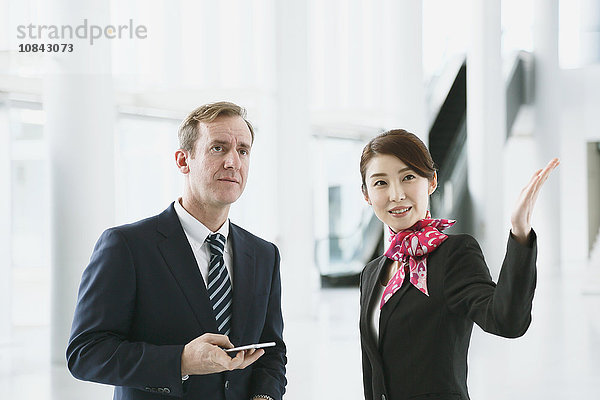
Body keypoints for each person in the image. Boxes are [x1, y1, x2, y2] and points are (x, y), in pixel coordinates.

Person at [67, 102, 287, 400]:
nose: (233, 162)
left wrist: (265, 397)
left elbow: (271, 351)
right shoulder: (127, 246)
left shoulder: (264, 255)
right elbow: (86, 353)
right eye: (218, 148)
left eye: (243, 150)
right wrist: (182, 360)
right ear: (184, 160)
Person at [358, 129, 559, 400]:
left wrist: (520, 231)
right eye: (380, 183)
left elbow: (507, 320)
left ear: (431, 182)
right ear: (367, 194)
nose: (396, 194)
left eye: (408, 177)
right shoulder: (372, 273)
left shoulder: (453, 254)